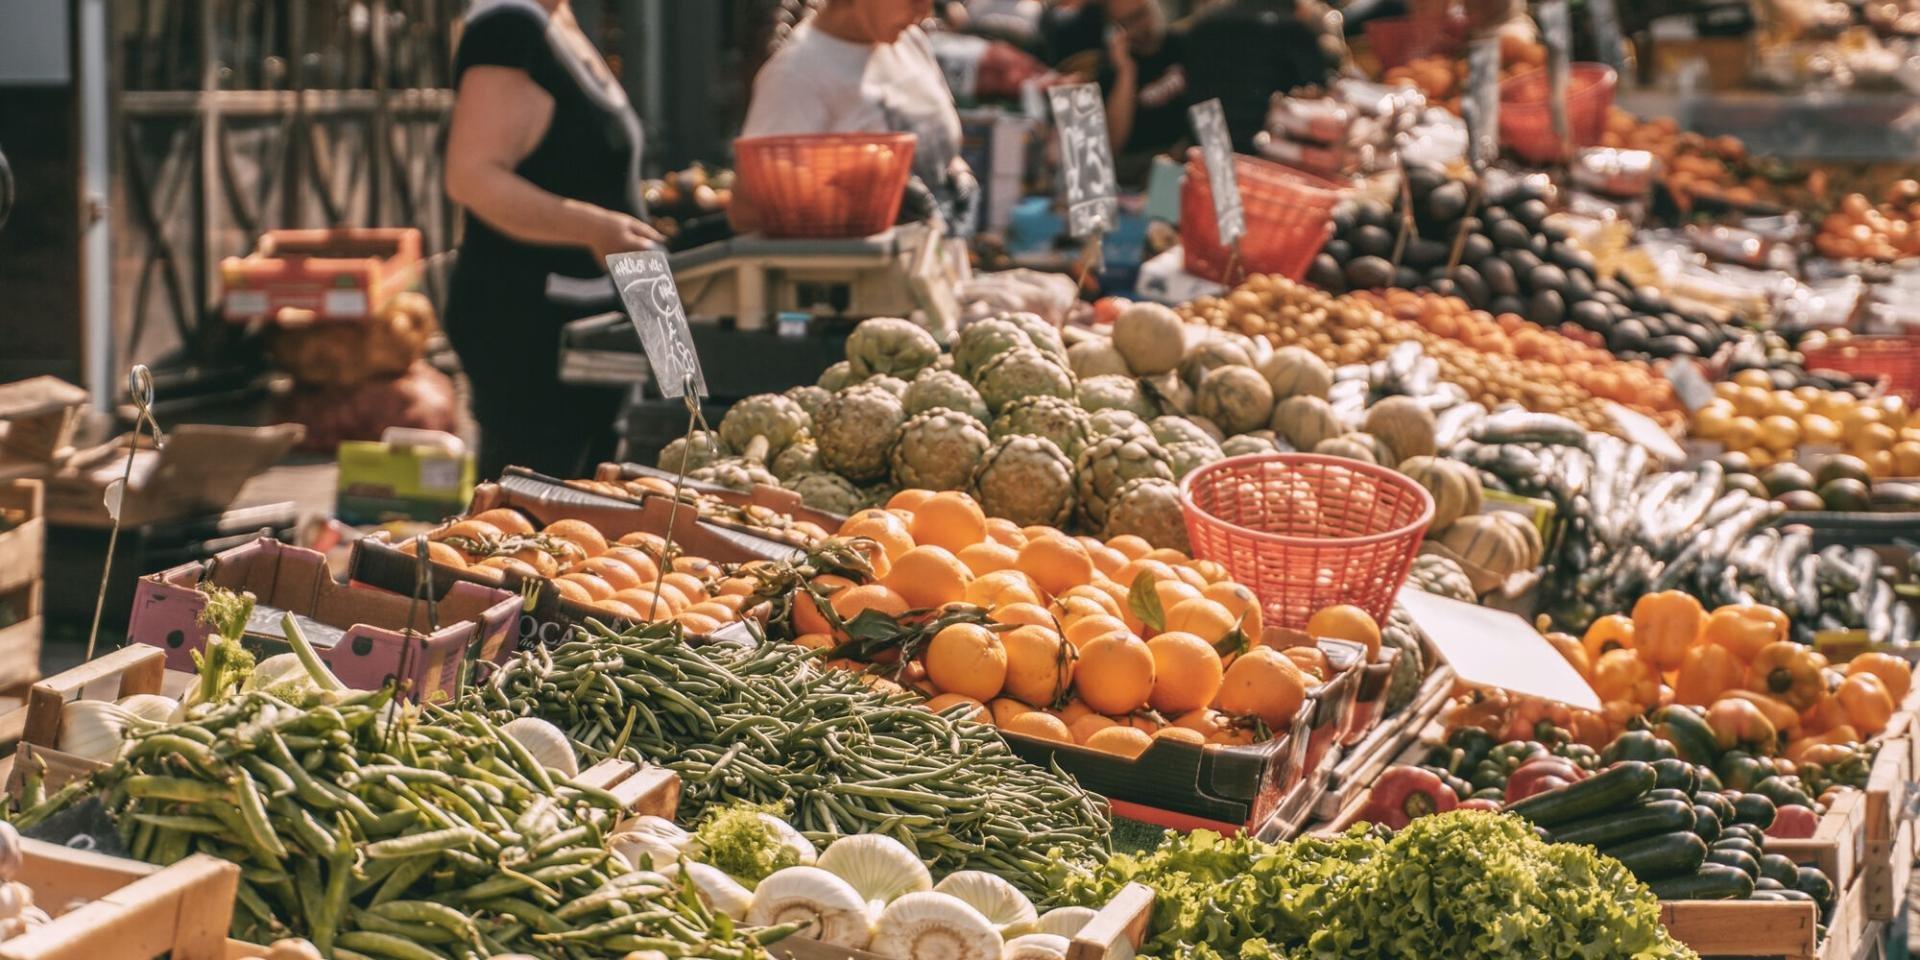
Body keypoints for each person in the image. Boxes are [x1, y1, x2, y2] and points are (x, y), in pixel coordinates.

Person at [443, 0, 658, 480]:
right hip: (535, 326)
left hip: (596, 311)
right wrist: (595, 229)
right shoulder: (508, 28)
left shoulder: (558, 21)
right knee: (532, 508)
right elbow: (471, 176)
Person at [741, 0, 979, 230]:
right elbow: (747, 210)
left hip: (935, 263)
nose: (925, 12)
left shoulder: (910, 41)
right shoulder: (794, 75)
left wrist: (958, 172)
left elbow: (932, 142)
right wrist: (867, 203)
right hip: (861, 269)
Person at [1047, 0, 1189, 180]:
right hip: (1136, 168)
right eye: (1128, 21)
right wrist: (1126, 71)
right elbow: (1114, 144)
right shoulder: (1109, 69)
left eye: (1141, 14)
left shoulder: (1180, 44)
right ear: (1114, 29)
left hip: (1182, 156)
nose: (1140, 25)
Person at [1180, 0, 1336, 153]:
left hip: (1207, 146)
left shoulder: (1203, 25)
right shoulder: (1294, 30)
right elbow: (1316, 90)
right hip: (1268, 150)